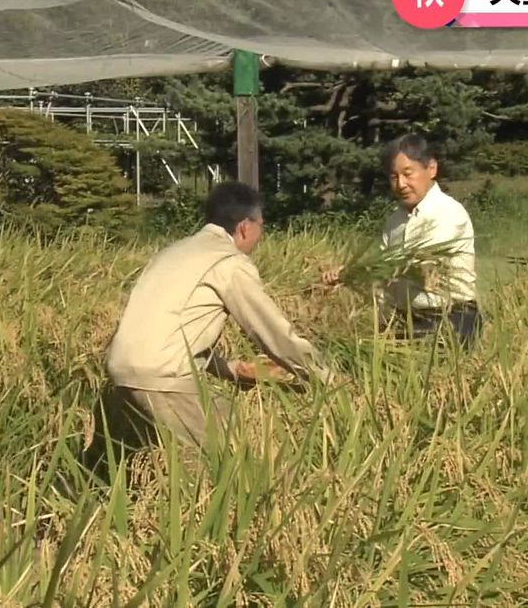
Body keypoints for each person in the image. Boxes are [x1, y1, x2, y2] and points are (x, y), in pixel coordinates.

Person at [85, 181, 329, 472]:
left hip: (122, 369)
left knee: (219, 422)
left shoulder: (172, 253)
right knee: (225, 457)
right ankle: (211, 511)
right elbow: (272, 332)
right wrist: (323, 376)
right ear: (244, 227)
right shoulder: (229, 262)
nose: (260, 234)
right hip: (163, 375)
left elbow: (173, 331)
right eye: (261, 225)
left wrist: (229, 369)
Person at [327, 133, 482, 348]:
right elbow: (382, 272)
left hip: (449, 320)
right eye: (393, 176)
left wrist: (363, 270)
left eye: (408, 174)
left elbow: (416, 264)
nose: (401, 184)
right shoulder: (394, 221)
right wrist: (346, 274)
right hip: (405, 319)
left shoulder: (449, 213)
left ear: (431, 169)